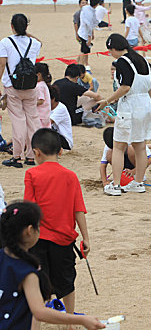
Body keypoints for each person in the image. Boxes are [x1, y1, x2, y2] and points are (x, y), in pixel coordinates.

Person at [0, 202, 105, 330]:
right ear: (29, 231)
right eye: (38, 226)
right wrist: (81, 319)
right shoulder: (27, 272)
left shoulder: (3, 257)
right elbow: (39, 312)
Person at [23, 128, 92, 322]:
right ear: (61, 151)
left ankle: (36, 322)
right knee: (67, 281)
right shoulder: (71, 176)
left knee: (38, 283)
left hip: (38, 239)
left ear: (36, 152)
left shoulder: (32, 174)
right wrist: (86, 238)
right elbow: (79, 209)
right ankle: (70, 321)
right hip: (64, 239)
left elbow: (29, 208)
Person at [96, 33, 151, 196]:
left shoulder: (122, 62)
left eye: (110, 51)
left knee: (119, 146)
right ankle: (139, 182)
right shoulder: (142, 60)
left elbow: (125, 87)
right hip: (145, 104)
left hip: (130, 106)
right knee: (140, 145)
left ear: (114, 49)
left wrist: (107, 101)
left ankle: (115, 185)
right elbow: (150, 85)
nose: (110, 54)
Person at [0, 13, 42, 168]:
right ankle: (32, 156)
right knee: (33, 120)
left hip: (12, 86)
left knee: (18, 121)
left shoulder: (5, 42)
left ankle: (17, 156)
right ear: (26, 26)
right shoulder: (33, 43)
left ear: (12, 26)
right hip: (30, 86)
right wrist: (25, 32)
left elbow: (2, 65)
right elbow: (39, 42)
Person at [77, 0, 101, 66]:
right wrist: (89, 37)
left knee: (85, 50)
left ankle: (83, 63)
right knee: (84, 51)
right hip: (84, 33)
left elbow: (94, 21)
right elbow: (89, 26)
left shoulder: (87, 8)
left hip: (83, 32)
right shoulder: (88, 11)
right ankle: (81, 65)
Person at [49, 85, 74, 150]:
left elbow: (48, 122)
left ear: (53, 99)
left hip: (65, 141)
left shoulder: (60, 108)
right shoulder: (47, 108)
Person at [34, 62, 52, 128]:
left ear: (38, 74)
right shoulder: (43, 84)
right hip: (45, 115)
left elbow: (41, 100)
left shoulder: (39, 86)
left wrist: (30, 103)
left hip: (40, 116)